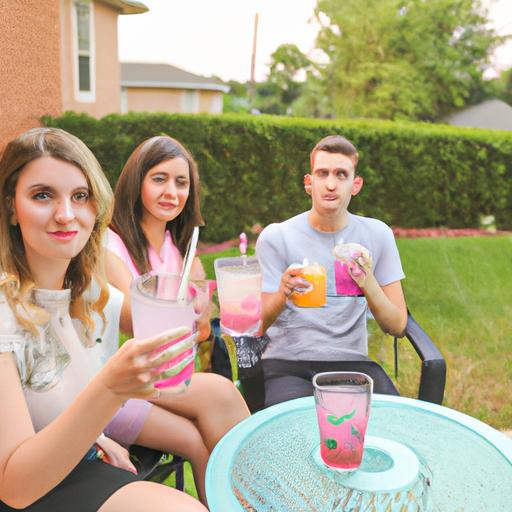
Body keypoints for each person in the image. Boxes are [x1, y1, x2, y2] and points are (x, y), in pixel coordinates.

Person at [0, 127, 206, 511]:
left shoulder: (89, 294)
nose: (66, 214)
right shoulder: (4, 314)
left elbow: (143, 321)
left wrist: (94, 434)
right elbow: (13, 487)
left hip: (78, 460)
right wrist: (110, 389)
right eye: (42, 195)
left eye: (80, 196)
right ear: (12, 206)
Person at [104, 135, 250, 504]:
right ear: (136, 182)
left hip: (167, 376)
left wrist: (203, 316)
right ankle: (251, 493)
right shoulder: (110, 246)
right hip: (121, 379)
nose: (171, 191)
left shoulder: (184, 252)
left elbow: (200, 332)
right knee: (222, 393)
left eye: (181, 182)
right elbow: (135, 321)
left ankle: (238, 500)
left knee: (204, 443)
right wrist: (187, 313)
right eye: (159, 179)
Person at [256, 134, 408, 407]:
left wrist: (367, 280)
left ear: (355, 184)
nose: (330, 184)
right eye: (322, 173)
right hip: (287, 364)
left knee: (396, 427)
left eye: (341, 174)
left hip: (352, 366)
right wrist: (282, 292)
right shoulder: (277, 237)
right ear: (308, 182)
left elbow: (397, 325)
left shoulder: (377, 234)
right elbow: (256, 326)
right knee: (292, 434)